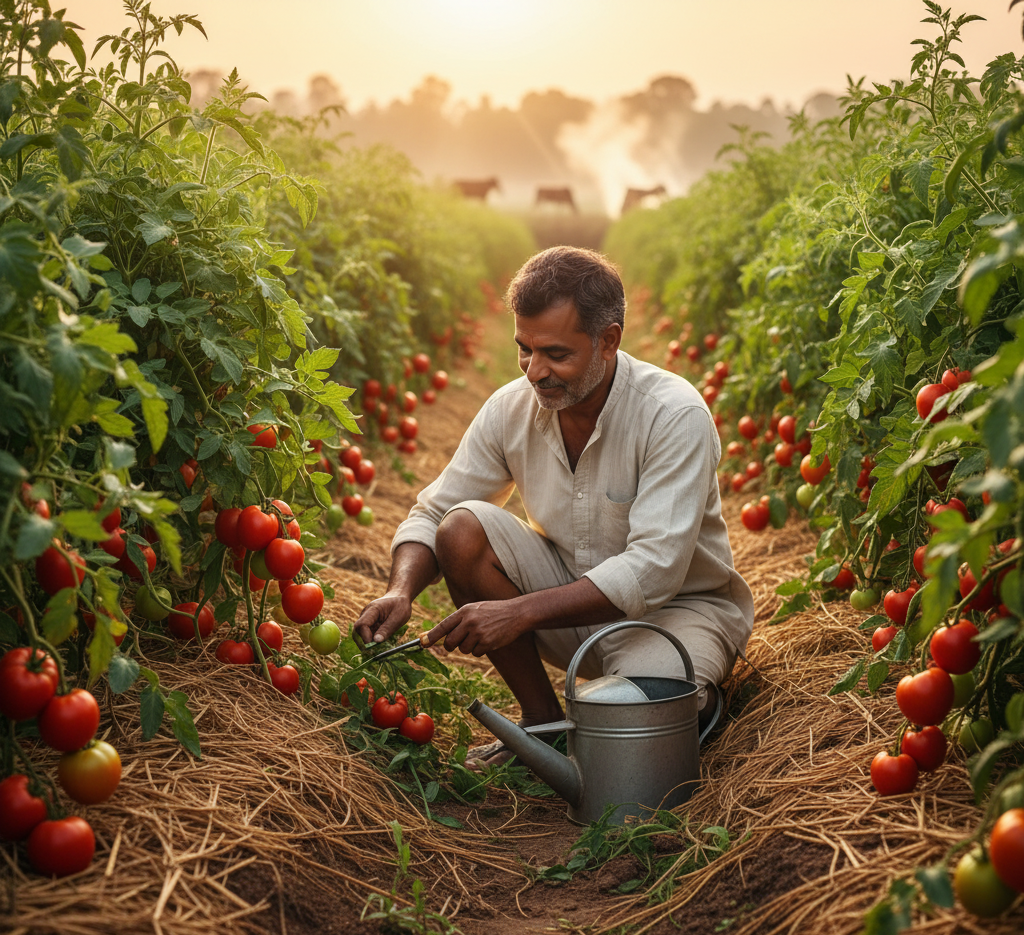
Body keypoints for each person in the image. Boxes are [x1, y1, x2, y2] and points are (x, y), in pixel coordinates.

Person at [354, 246, 754, 768]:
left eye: (556, 354)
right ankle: (541, 723)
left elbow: (654, 570)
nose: (535, 371)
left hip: (674, 613)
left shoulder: (672, 416)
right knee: (459, 530)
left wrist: (517, 613)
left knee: (636, 720)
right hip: (569, 596)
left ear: (608, 340)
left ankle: (686, 698)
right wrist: (401, 590)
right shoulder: (511, 408)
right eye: (524, 349)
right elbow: (433, 514)